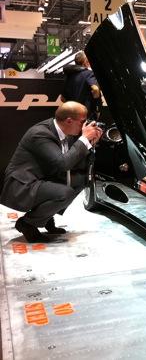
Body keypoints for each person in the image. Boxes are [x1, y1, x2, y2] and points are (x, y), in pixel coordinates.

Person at [0, 102, 103, 243]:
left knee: (80, 180)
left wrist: (91, 143)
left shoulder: (67, 132)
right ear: (69, 120)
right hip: (23, 183)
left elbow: (75, 162)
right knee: (64, 193)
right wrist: (84, 139)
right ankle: (27, 224)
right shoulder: (40, 134)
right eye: (83, 121)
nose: (85, 126)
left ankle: (46, 217)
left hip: (42, 178)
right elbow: (63, 164)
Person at [62, 51, 102, 120]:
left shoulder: (68, 76)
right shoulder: (88, 74)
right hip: (85, 114)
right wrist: (96, 104)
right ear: (85, 61)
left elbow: (62, 98)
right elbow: (95, 89)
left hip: (71, 115)